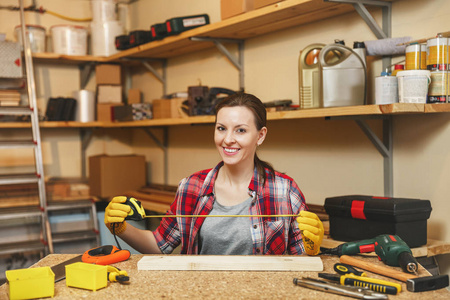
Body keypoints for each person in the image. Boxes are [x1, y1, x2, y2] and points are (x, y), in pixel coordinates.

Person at [104, 92, 324, 255]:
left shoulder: (284, 190)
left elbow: (300, 263)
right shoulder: (191, 186)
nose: (228, 139)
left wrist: (311, 250)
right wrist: (122, 229)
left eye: (240, 130)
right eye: (221, 128)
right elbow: (160, 245)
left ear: (261, 135)